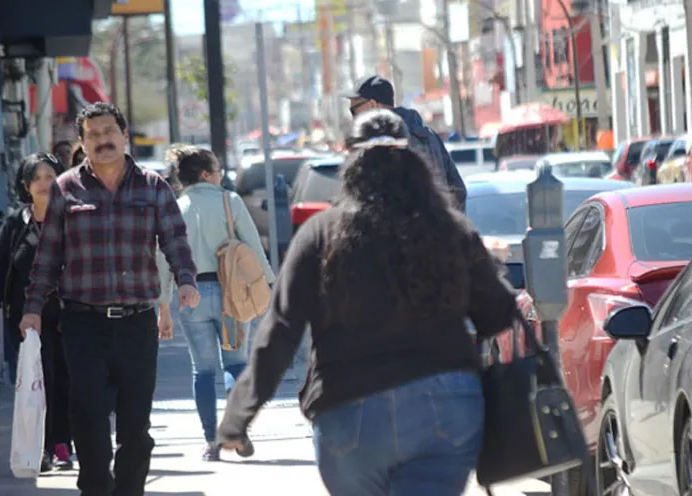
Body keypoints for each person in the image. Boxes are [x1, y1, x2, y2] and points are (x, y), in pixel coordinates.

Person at [217, 109, 517, 495]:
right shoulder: (451, 229)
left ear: (351, 162)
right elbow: (497, 315)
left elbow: (281, 330)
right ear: (413, 161)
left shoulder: (321, 234)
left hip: (349, 406)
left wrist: (239, 414)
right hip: (445, 403)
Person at [20, 102, 200, 496]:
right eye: (94, 135)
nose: (103, 140)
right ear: (83, 143)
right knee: (89, 417)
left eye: (109, 132)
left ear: (124, 135)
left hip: (137, 324)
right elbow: (48, 256)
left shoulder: (154, 187)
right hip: (83, 323)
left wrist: (186, 281)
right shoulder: (66, 188)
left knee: (136, 425)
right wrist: (33, 308)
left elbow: (176, 242)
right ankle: (97, 488)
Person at [157, 144, 275, 461]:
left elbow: (163, 259)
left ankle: (211, 442)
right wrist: (270, 283)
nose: (221, 176)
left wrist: (163, 305)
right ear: (207, 174)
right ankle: (236, 430)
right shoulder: (228, 200)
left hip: (190, 294)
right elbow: (252, 244)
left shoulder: (174, 207)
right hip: (231, 293)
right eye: (219, 171)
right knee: (236, 364)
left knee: (203, 371)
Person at [0, 153, 73, 472]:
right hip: (25, 320)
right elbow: (1, 268)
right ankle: (44, 447)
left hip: (69, 315)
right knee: (39, 381)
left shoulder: (72, 218)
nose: (45, 183)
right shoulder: (15, 224)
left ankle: (62, 441)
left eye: (51, 176)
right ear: (26, 185)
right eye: (38, 178)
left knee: (65, 380)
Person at [342, 75, 467, 210]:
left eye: (354, 110)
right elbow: (458, 191)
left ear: (373, 104)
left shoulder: (378, 145)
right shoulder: (429, 137)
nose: (353, 118)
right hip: (433, 227)